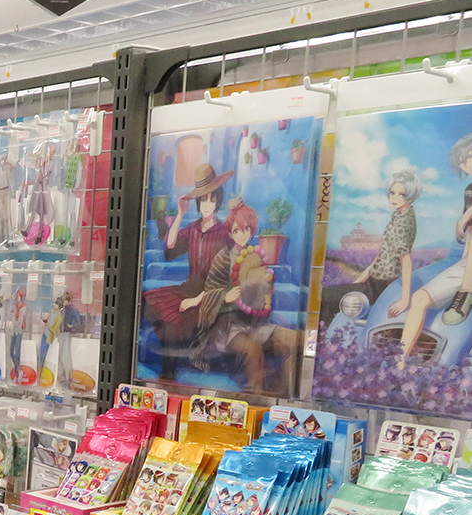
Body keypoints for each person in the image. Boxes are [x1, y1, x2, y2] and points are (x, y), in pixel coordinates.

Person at [182, 201, 300, 393]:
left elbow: (262, 292)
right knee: (253, 351)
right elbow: (210, 290)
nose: (242, 234)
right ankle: (256, 396)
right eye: (237, 230)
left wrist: (266, 288)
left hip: (256, 322)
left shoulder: (255, 256)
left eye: (246, 229)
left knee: (296, 342)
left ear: (252, 231)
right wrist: (224, 296)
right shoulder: (222, 257)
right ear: (230, 233)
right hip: (227, 327)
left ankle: (283, 390)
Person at [141, 163, 234, 380]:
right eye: (203, 200)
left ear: (218, 201)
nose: (207, 205)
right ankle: (170, 364)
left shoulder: (224, 232)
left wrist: (198, 299)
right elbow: (171, 245)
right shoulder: (192, 228)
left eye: (212, 199)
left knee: (175, 326)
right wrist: (181, 214)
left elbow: (224, 279)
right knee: (148, 304)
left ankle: (169, 372)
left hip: (209, 295)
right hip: (188, 288)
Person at [322, 169, 420, 323]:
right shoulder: (399, 216)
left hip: (380, 288)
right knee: (330, 298)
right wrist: (360, 280)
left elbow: (406, 262)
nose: (394, 198)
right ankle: (328, 338)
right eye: (392, 193)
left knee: (325, 296)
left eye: (401, 194)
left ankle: (326, 340)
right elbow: (382, 256)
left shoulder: (403, 223)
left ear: (411, 196)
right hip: (373, 283)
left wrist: (405, 300)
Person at [440, 133, 472, 324]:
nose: (465, 164)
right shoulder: (469, 189)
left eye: (469, 157)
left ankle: (465, 294)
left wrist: (464, 217)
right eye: (461, 162)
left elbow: (467, 218)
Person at [0, 150, 18, 245]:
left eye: (3, 160)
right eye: (1, 160)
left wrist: (9, 160)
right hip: (1, 193)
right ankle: (3, 237)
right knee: (2, 215)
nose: (2, 162)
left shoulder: (9, 168)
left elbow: (15, 165)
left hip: (8, 191)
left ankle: (10, 236)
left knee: (9, 215)